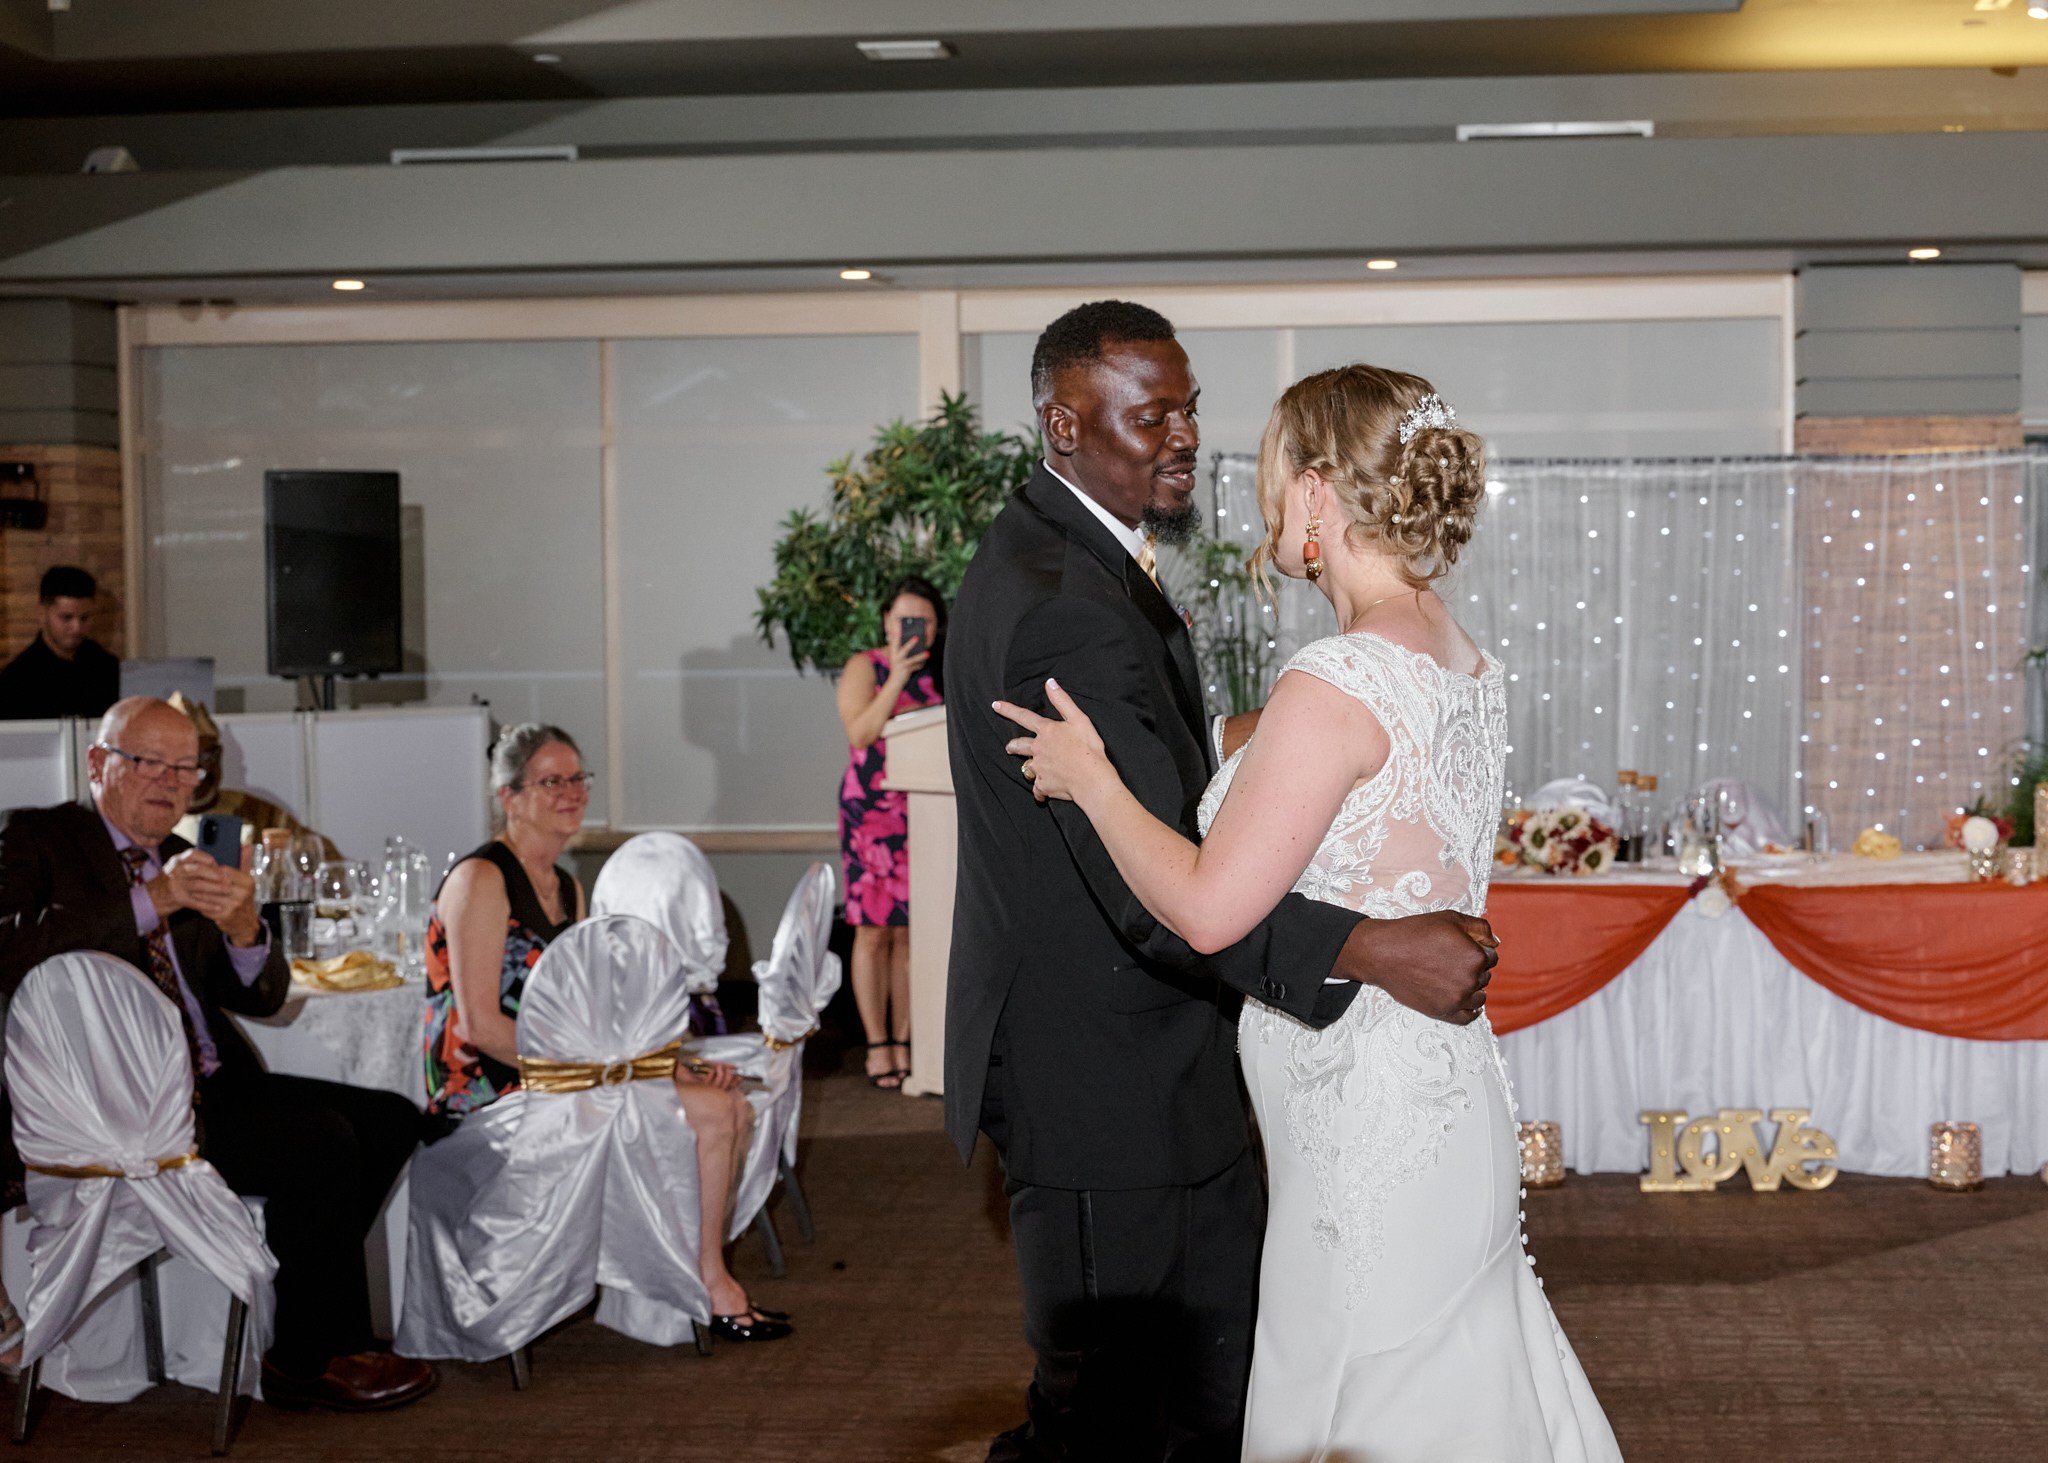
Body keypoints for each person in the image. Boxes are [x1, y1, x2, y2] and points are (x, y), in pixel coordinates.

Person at [996, 365, 1621, 1460]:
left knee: (1361, 1388)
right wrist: (1237, 741)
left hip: (1359, 1113)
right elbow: (1376, 813)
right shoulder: (1457, 657)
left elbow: (1202, 907)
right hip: (1442, 1084)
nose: (1263, 498)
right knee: (1452, 1369)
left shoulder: (1331, 682)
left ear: (1320, 490)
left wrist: (1093, 778)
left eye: (1275, 472)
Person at [0, 696, 435, 1410]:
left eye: (186, 767)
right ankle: (311, 1355)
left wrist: (242, 932)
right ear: (97, 763)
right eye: (150, 763)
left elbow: (263, 997)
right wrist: (152, 900)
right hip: (117, 1107)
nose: (172, 782)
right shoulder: (41, 836)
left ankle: (304, 1320)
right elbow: (7, 945)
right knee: (322, 1144)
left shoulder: (189, 851)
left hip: (211, 1083)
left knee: (390, 1118)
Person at [423, 723, 790, 1341]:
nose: (571, 792)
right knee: (714, 1115)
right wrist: (608, 1071)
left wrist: (666, 1064)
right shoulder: (480, 880)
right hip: (488, 1092)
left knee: (724, 1102)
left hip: (559, 1080)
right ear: (509, 797)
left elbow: (592, 1017)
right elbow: (483, 1028)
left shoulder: (566, 886)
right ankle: (705, 1281)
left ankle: (688, 1280)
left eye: (577, 779)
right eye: (551, 781)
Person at [834, 575, 946, 1088]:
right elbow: (860, 732)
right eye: (903, 620)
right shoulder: (867, 667)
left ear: (937, 626)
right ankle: (877, 1043)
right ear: (885, 622)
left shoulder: (944, 674)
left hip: (924, 811)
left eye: (922, 621)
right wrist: (896, 678)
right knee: (872, 929)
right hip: (870, 811)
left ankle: (906, 1042)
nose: (912, 630)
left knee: (910, 930)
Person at [166, 690, 341, 860]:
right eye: (183, 761)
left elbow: (325, 857)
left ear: (219, 755)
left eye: (205, 756)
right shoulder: (152, 815)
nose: (198, 769)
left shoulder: (256, 811)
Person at [0, 565, 121, 721]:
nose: (76, 628)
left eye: (85, 618)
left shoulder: (108, 668)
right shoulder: (16, 681)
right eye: (66, 617)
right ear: (42, 612)